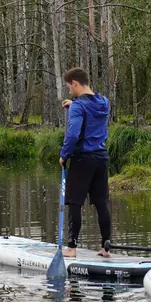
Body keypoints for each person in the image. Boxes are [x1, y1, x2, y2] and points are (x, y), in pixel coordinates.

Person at [59, 67, 112, 258]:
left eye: (69, 87)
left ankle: (71, 247)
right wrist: (72, 105)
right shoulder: (104, 102)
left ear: (75, 82)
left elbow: (73, 134)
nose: (69, 91)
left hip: (82, 159)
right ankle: (106, 248)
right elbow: (88, 109)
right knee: (101, 203)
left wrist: (64, 154)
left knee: (74, 202)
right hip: (101, 158)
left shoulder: (78, 106)